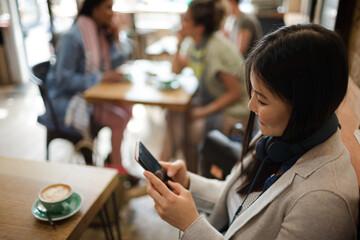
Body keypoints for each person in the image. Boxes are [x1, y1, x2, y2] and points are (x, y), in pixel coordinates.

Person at [144, 23, 359, 239]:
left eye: (262, 100)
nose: (251, 106)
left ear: (304, 106)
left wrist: (191, 224)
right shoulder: (279, 134)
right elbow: (238, 202)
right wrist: (187, 182)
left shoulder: (325, 200)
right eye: (253, 93)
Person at [160, 0, 249, 165]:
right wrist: (178, 43)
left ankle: (172, 167)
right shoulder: (195, 43)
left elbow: (235, 93)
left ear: (199, 28)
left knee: (189, 131)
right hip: (216, 100)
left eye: (186, 20)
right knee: (173, 114)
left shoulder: (216, 48)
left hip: (236, 109)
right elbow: (176, 69)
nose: (181, 23)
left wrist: (203, 112)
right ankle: (171, 165)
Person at [46, 0, 132, 167]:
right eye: (108, 7)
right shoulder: (73, 37)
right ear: (94, 9)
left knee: (127, 107)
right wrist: (99, 78)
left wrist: (115, 38)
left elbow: (117, 60)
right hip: (69, 101)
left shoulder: (98, 32)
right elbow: (63, 79)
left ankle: (112, 160)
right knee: (119, 118)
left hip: (89, 96)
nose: (112, 13)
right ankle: (117, 168)